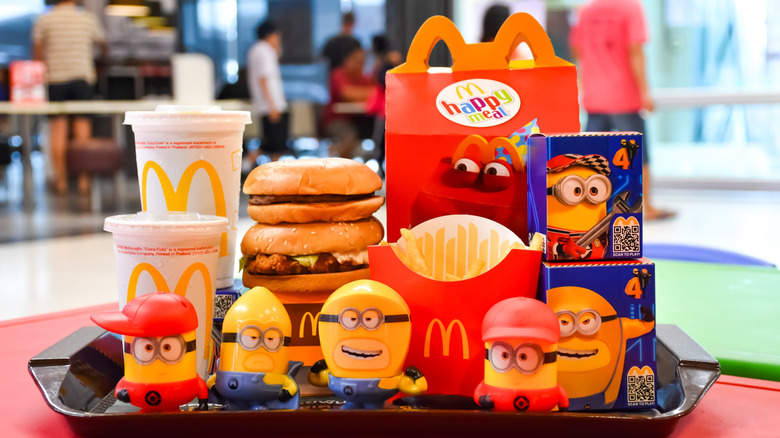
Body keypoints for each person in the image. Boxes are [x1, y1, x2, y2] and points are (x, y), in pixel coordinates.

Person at [570, 0, 674, 220]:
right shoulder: (631, 7)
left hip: (594, 95)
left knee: (593, 158)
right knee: (638, 155)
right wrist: (645, 92)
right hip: (623, 96)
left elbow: (576, 50)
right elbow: (635, 52)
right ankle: (646, 206)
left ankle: (590, 209)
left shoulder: (586, 11)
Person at [33, 0, 107, 195]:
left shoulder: (44, 19)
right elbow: (103, 44)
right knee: (83, 132)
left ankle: (61, 181)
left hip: (55, 80)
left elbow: (38, 54)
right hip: (82, 79)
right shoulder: (87, 19)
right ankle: (83, 181)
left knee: (58, 132)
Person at [247, 20, 290, 162]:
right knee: (275, 146)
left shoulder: (257, 49)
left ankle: (248, 161)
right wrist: (272, 105)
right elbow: (263, 79)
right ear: (270, 35)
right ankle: (249, 162)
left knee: (270, 144)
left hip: (266, 104)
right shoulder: (264, 50)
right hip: (271, 104)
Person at [323, 41, 374, 158]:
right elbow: (346, 93)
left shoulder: (362, 77)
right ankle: (340, 164)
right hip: (336, 120)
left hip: (359, 119)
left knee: (378, 131)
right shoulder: (338, 74)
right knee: (349, 135)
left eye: (362, 62)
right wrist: (369, 93)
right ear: (347, 59)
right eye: (357, 61)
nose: (360, 65)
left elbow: (376, 92)